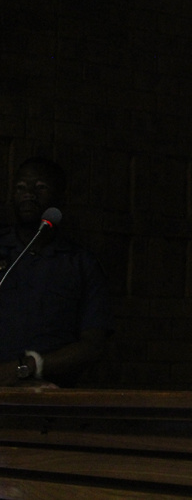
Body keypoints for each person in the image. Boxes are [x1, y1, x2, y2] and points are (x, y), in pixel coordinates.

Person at [0, 157, 112, 387]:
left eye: (40, 187)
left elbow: (93, 345)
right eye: (21, 187)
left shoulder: (81, 264)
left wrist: (30, 367)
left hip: (54, 393)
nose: (29, 194)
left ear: (59, 197)